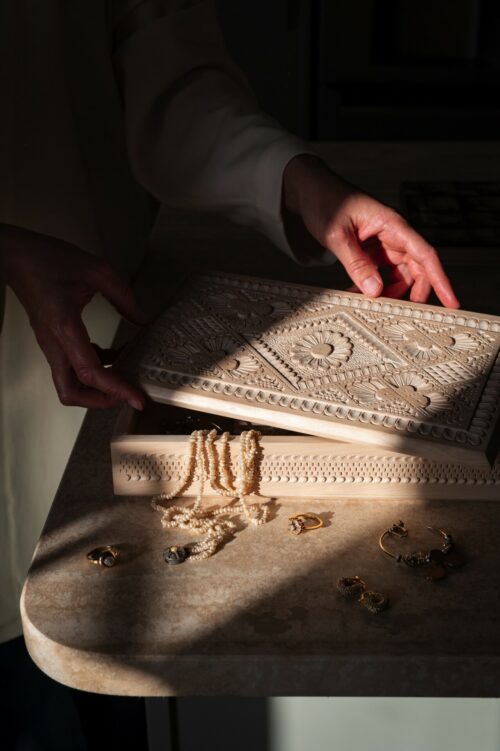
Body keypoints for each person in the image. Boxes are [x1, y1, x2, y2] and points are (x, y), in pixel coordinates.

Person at [0, 0, 459, 746]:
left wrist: (303, 183)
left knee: (105, 684)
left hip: (105, 355)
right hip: (60, 334)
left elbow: (171, 80)